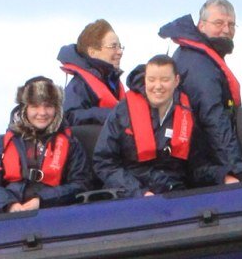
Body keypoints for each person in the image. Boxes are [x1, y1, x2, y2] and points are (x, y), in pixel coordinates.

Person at [93, 55, 228, 197]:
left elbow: (196, 167)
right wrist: (139, 193)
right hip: (131, 198)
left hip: (174, 195)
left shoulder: (187, 114)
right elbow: (104, 162)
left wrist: (223, 176)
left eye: (164, 80)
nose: (157, 86)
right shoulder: (122, 112)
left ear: (176, 81)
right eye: (151, 80)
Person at [157, 0, 242, 182]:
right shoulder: (198, 63)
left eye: (231, 25)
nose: (226, 30)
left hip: (200, 164)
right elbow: (213, 118)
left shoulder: (196, 57)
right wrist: (236, 170)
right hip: (200, 169)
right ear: (201, 25)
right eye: (219, 23)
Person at [0, 76, 95, 213]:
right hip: (7, 217)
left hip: (53, 215)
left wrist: (42, 201)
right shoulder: (4, 143)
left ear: (57, 108)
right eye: (35, 106)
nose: (42, 113)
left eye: (48, 106)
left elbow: (81, 184)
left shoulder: (71, 144)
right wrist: (9, 205)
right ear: (24, 108)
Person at [56, 19, 126, 127]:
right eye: (113, 46)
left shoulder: (111, 82)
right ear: (92, 52)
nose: (120, 52)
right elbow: (68, 117)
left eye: (120, 46)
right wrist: (105, 114)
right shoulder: (79, 85)